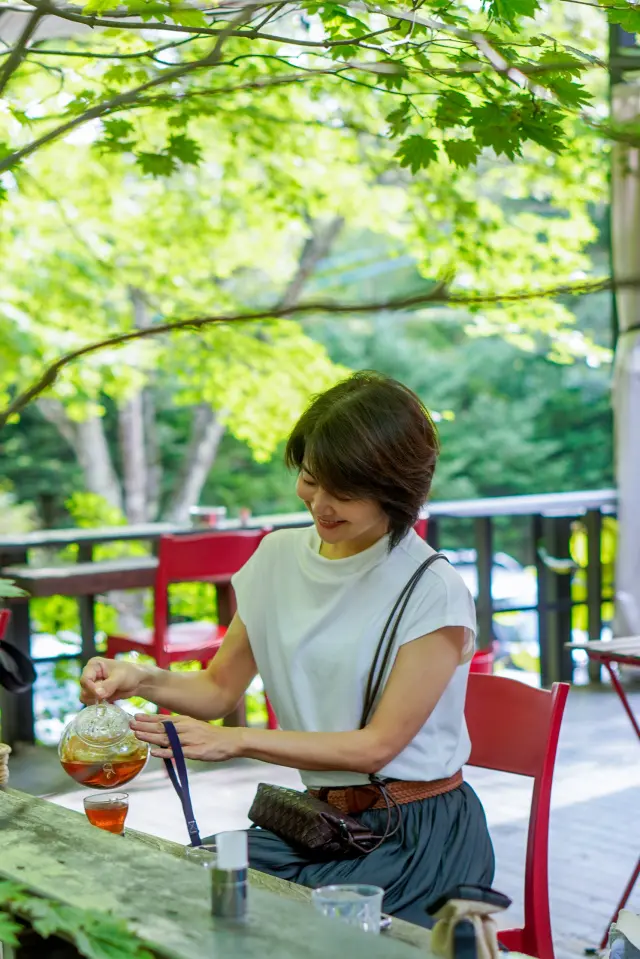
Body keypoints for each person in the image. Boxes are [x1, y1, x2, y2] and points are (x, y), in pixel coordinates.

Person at [79, 371, 494, 927]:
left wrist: (236, 742)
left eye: (343, 491)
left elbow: (376, 747)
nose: (319, 504)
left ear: (397, 488)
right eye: (309, 479)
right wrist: (140, 677)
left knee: (274, 928)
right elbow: (217, 689)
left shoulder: (429, 589)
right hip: (317, 823)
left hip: (416, 836)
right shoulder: (276, 558)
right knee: (188, 890)